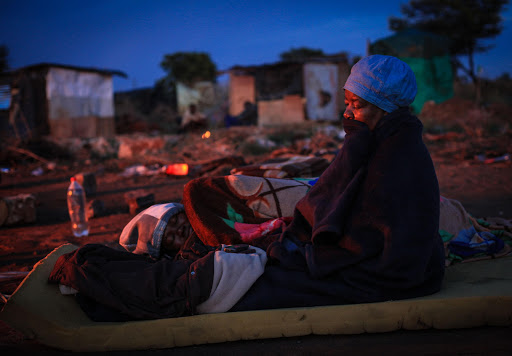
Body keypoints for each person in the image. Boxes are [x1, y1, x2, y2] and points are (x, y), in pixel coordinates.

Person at [48, 55, 445, 320]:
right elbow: (328, 206)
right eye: (346, 102)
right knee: (230, 262)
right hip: (336, 263)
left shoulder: (397, 163)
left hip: (364, 277)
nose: (346, 113)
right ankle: (101, 272)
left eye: (355, 105)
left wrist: (298, 254)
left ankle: (94, 281)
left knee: (217, 284)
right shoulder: (375, 142)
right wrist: (288, 242)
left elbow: (381, 249)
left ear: (384, 107)